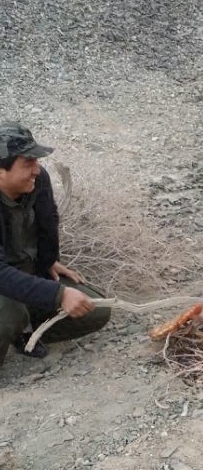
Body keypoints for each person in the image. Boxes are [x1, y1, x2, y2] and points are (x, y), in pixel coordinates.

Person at [0, 123, 111, 366]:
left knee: (95, 310)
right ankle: (15, 324)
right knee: (9, 315)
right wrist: (58, 294)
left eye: (36, 161)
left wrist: (48, 260)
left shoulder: (37, 181)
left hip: (24, 275)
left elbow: (48, 221)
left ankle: (25, 331)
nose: (37, 170)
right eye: (28, 164)